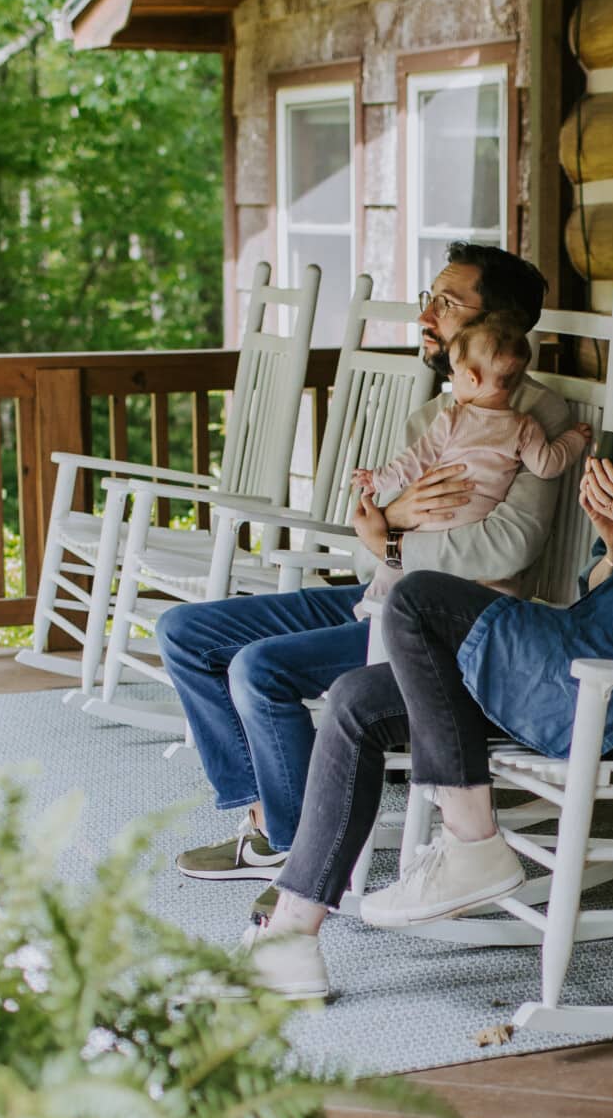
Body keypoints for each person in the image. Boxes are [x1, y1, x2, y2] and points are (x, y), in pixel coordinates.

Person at [247, 249, 613, 1002]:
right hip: (592, 661)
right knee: (359, 699)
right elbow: (602, 589)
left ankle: (471, 844)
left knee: (421, 595)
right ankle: (291, 936)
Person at [161, 243, 571, 887]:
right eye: (427, 300)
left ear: (502, 326)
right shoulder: (431, 415)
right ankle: (267, 815)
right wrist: (390, 529)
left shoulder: (534, 420)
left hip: (445, 622)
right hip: (381, 584)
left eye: (446, 302)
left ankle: (296, 847)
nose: (426, 316)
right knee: (185, 632)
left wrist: (396, 535)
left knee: (259, 668)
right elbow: (366, 531)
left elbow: (508, 546)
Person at [353, 311, 593, 604]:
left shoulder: (452, 418)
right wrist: (576, 439)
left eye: (453, 372)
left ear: (472, 377)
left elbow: (415, 460)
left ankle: (370, 613)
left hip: (428, 532)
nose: (451, 379)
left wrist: (378, 478)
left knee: (388, 578)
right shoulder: (526, 426)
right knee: (488, 588)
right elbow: (548, 464)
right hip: (470, 551)